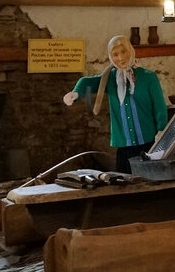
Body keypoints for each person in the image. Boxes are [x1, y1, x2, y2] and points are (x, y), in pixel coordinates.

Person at [62, 35, 168, 173]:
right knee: (124, 187)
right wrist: (75, 93)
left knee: (150, 183)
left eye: (123, 52)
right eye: (115, 54)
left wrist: (162, 131)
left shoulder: (149, 77)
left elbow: (159, 107)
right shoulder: (110, 78)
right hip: (124, 149)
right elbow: (87, 82)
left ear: (131, 50)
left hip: (149, 145)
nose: (120, 58)